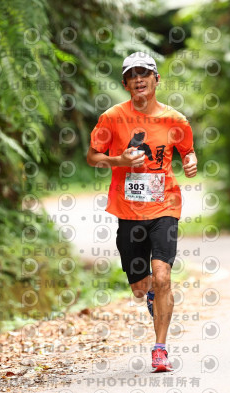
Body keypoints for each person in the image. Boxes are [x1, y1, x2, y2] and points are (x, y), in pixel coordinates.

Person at [86, 52, 197, 372]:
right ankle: (151, 296)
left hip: (165, 206)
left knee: (162, 276)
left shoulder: (176, 120)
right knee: (140, 287)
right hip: (128, 210)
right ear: (125, 84)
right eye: (132, 75)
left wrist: (191, 162)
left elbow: (188, 152)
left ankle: (160, 349)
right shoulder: (111, 118)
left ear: (156, 79)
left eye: (144, 73)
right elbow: (92, 157)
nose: (138, 79)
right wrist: (119, 161)